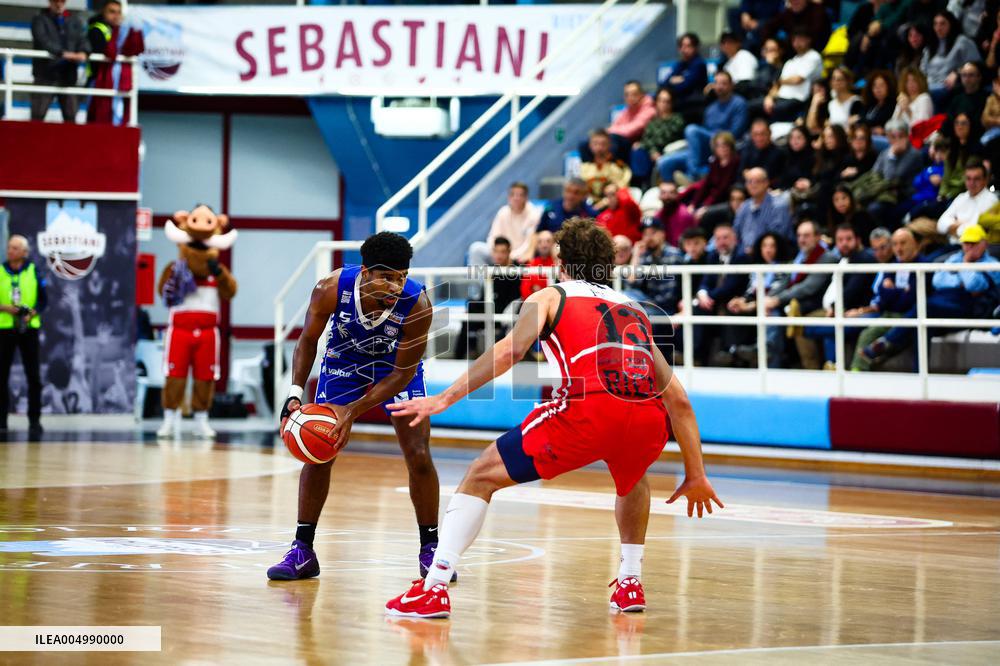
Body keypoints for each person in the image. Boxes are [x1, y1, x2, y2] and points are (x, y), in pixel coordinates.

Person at [384, 218, 724, 619]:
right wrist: (696, 473)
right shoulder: (634, 308)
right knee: (632, 475)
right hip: (647, 417)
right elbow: (678, 399)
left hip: (589, 409)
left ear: (560, 260)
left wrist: (445, 398)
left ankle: (434, 586)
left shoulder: (548, 297)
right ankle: (630, 582)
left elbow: (511, 351)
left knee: (480, 475)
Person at [267, 232, 447, 582]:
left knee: (418, 453)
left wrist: (353, 411)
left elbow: (402, 373)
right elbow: (307, 341)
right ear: (365, 271)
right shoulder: (330, 288)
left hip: (395, 368)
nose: (395, 285)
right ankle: (302, 550)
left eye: (401, 277)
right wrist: (294, 392)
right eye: (386, 276)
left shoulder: (418, 305)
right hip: (344, 359)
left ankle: (431, 550)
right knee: (320, 452)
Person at [863, 224, 1000, 364]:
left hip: (968, 309)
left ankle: (886, 343)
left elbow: (973, 285)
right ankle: (918, 375)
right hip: (944, 303)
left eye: (973, 243)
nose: (968, 247)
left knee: (924, 308)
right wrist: (961, 279)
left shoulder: (992, 264)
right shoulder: (955, 258)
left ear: (984, 243)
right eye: (966, 243)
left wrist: (965, 264)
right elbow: (938, 280)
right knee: (922, 326)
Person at [801, 224, 878, 369]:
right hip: (847, 310)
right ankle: (832, 366)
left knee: (811, 328)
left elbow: (851, 290)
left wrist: (835, 307)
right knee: (832, 329)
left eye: (848, 239)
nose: (844, 243)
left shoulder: (864, 258)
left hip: (865, 311)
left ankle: (803, 330)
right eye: (840, 240)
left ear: (858, 240)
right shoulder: (845, 260)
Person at [850, 226, 926, 371]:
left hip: (908, 316)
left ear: (915, 244)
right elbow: (883, 295)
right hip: (888, 313)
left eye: (903, 243)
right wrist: (899, 291)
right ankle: (856, 372)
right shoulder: (894, 265)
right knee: (866, 333)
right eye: (895, 244)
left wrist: (892, 290)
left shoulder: (923, 265)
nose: (898, 248)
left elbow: (909, 300)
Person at [660, 71, 748, 182]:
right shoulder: (710, 108)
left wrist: (716, 142)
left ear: (731, 85)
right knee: (664, 162)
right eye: (717, 83)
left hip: (724, 145)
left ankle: (694, 175)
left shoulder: (739, 103)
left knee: (691, 130)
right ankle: (672, 193)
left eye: (724, 83)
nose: (719, 87)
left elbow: (735, 133)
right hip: (706, 149)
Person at [0, 236, 46, 439]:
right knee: (1, 376)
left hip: (28, 328)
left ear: (24, 252)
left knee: (33, 376)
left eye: (15, 248)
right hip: (4, 327)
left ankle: (34, 420)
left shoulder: (34, 270)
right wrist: (6, 308)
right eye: (9, 247)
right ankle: (1, 420)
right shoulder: (1, 270)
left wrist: (32, 312)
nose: (11, 251)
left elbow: (44, 299)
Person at [457, 237, 524, 360]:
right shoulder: (491, 269)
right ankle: (462, 355)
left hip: (509, 311)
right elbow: (485, 296)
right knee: (471, 308)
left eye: (502, 252)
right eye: (496, 252)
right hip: (492, 308)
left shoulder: (518, 270)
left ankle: (489, 357)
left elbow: (518, 298)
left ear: (509, 252)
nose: (499, 255)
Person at [30, 0, 90, 122]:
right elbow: (42, 40)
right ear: (49, 2)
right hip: (46, 74)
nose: (58, 4)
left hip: (68, 75)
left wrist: (84, 52)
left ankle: (71, 141)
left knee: (71, 116)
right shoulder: (40, 19)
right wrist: (63, 53)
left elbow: (83, 40)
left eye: (61, 1)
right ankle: (32, 141)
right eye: (55, 1)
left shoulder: (74, 20)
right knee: (37, 116)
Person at [86, 0, 143, 125]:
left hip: (117, 81)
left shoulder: (121, 30)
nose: (116, 16)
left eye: (118, 12)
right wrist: (118, 31)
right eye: (112, 12)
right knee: (98, 121)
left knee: (119, 118)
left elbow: (136, 49)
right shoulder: (96, 29)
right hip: (98, 80)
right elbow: (109, 53)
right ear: (103, 13)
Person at [752, 28, 823, 123]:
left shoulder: (813, 56)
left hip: (798, 99)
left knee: (776, 110)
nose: (796, 43)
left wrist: (781, 81)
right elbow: (777, 85)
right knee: (751, 106)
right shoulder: (790, 61)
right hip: (780, 97)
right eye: (794, 40)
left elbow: (798, 79)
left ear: (808, 40)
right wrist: (769, 97)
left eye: (800, 39)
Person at [469, 182, 541, 267]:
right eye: (513, 195)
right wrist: (497, 253)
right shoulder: (503, 212)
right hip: (500, 253)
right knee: (476, 249)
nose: (516, 198)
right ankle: (482, 280)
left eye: (520, 195)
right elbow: (493, 237)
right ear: (509, 197)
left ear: (526, 197)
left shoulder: (534, 214)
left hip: (520, 256)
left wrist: (511, 256)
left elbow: (529, 243)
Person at [631, 88, 685, 187]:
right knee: (637, 150)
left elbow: (663, 138)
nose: (663, 104)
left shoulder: (677, 119)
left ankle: (646, 185)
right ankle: (641, 185)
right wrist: (651, 150)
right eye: (660, 100)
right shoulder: (653, 122)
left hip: (667, 150)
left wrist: (648, 146)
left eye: (667, 101)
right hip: (652, 152)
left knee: (642, 148)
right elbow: (646, 138)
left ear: (672, 103)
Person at [937, 159, 998, 244]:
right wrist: (963, 225)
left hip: (973, 248)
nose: (972, 183)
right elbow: (940, 224)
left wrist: (954, 225)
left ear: (985, 180)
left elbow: (975, 231)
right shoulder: (961, 197)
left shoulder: (991, 200)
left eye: (976, 179)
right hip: (952, 245)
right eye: (968, 178)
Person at [733, 167, 793, 254]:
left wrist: (755, 250)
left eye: (757, 181)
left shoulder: (779, 206)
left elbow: (778, 237)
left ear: (766, 183)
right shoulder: (744, 207)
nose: (753, 185)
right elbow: (735, 233)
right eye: (749, 181)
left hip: (773, 256)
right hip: (744, 256)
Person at [658, 32, 709, 118]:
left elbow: (685, 86)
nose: (684, 49)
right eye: (682, 46)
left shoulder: (699, 64)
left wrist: (677, 81)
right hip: (679, 104)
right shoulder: (680, 64)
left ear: (695, 47)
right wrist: (678, 80)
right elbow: (664, 83)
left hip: (693, 106)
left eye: (688, 46)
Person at [580, 129, 632, 200]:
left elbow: (623, 188)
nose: (599, 147)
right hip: (589, 204)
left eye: (603, 144)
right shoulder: (584, 167)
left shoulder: (618, 166)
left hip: (612, 204)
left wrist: (615, 187)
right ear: (590, 145)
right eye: (595, 144)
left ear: (609, 145)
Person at [762, 0, 832, 50]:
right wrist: (770, 41)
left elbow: (816, 36)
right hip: (793, 53)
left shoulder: (818, 11)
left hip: (814, 51)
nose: (794, 1)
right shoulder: (788, 13)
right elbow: (768, 27)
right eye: (791, 0)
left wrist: (797, 42)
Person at [739, 119, 785, 187]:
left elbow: (769, 176)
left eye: (763, 134)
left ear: (769, 133)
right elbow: (741, 172)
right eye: (755, 134)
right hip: (747, 188)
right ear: (751, 135)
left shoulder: (779, 153)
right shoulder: (747, 149)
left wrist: (751, 175)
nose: (759, 138)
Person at [718, 30, 759, 97]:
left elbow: (745, 85)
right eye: (723, 42)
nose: (726, 45)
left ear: (738, 43)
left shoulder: (744, 56)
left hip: (745, 96)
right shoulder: (726, 65)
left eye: (730, 42)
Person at [656, 181, 697, 247]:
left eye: (671, 193)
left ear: (677, 195)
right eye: (663, 193)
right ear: (659, 196)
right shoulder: (658, 216)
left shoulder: (684, 216)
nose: (667, 197)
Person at [520, 231, 557, 301]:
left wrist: (539, 291)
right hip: (534, 305)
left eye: (548, 241)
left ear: (553, 244)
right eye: (540, 242)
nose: (544, 245)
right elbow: (525, 290)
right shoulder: (531, 263)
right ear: (536, 245)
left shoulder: (558, 263)